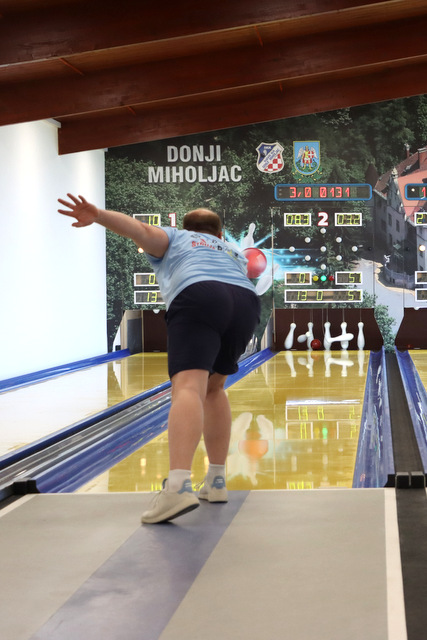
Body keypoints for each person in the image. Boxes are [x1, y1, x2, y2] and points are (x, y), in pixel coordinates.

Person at [57, 194, 260, 524]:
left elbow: (140, 230)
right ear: (220, 234)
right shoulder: (231, 251)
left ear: (186, 228)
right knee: (214, 389)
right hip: (245, 302)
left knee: (188, 388)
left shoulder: (178, 237)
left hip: (199, 294)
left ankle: (178, 487)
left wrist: (98, 215)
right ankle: (216, 481)